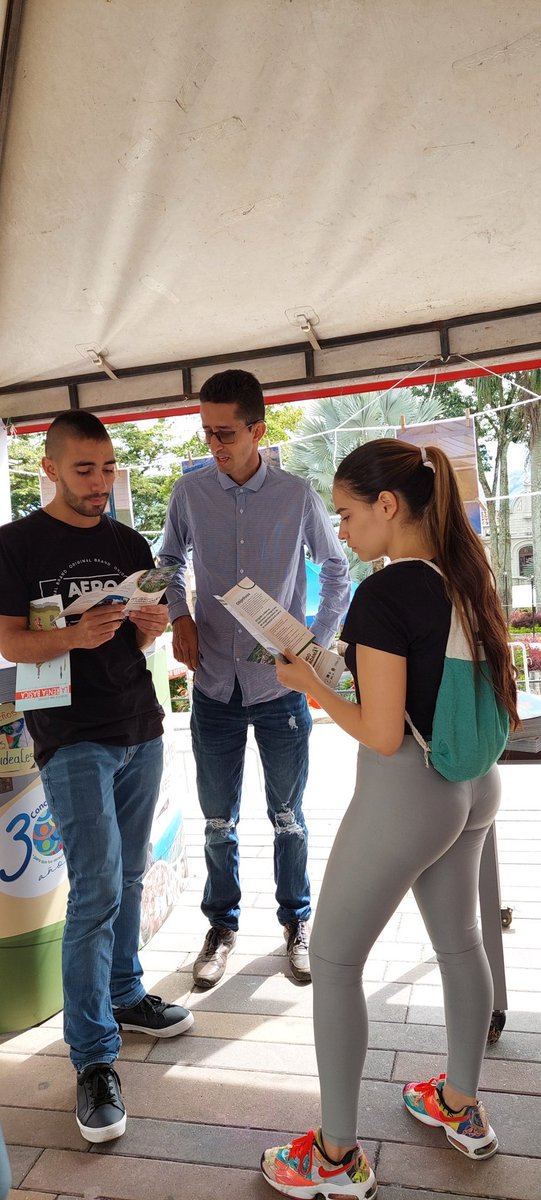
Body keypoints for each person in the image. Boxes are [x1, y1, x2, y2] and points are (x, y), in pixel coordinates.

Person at [261, 438, 518, 1198]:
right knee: (462, 945)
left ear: (386, 505)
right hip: (474, 783)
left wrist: (310, 685)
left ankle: (335, 1160)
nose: (338, 531)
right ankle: (460, 1105)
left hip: (407, 791)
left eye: (343, 514)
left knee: (335, 961)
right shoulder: (466, 572)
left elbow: (378, 730)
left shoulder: (385, 592)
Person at [0, 411, 194, 1146]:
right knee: (98, 885)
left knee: (133, 872)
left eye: (108, 467)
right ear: (49, 468)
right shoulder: (15, 545)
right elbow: (9, 637)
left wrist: (149, 624)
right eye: (85, 469)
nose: (100, 482)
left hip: (138, 722)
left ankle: (123, 992)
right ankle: (92, 1059)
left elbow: (148, 622)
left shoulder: (125, 540)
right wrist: (72, 634)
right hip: (68, 733)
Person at [159, 369, 351, 986]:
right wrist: (179, 615)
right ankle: (221, 927)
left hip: (280, 687)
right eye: (207, 433)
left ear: (256, 429)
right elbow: (167, 559)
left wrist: (314, 647)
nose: (215, 445)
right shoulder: (189, 496)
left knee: (289, 815)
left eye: (226, 433)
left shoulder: (298, 496)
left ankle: (297, 923)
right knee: (217, 820)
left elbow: (337, 568)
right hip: (214, 681)